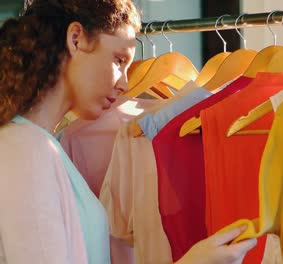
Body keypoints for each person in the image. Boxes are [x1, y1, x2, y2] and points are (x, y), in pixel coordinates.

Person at [0, 0, 257, 263]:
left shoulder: (39, 146)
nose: (125, 83)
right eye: (119, 60)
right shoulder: (27, 150)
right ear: (76, 39)